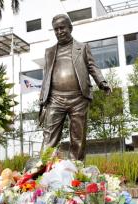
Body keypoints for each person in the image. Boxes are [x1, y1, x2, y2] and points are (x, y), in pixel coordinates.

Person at [39, 14, 111, 161]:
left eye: (62, 28)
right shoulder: (49, 51)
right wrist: (42, 100)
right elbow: (46, 77)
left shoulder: (83, 48)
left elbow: (92, 67)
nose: (59, 31)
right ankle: (42, 168)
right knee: (49, 135)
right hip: (55, 98)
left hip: (78, 98)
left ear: (70, 28)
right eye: (56, 29)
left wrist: (102, 83)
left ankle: (75, 169)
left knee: (78, 136)